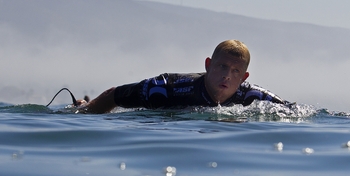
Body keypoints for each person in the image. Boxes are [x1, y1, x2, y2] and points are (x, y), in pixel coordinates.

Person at [76, 40, 290, 113]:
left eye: (235, 71)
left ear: (244, 78)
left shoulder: (255, 98)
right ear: (208, 65)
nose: (227, 75)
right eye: (222, 66)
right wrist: (86, 111)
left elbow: (296, 113)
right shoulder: (167, 87)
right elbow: (114, 95)